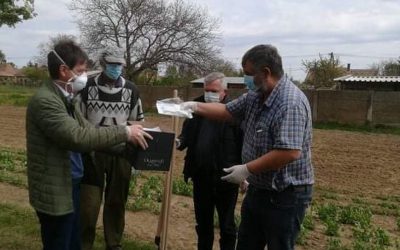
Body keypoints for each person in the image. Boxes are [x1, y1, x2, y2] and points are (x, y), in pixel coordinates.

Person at [180, 44, 314, 250]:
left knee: (279, 245)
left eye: (249, 74)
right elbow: (227, 111)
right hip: (259, 190)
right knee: (247, 243)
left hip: (285, 194)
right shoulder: (256, 96)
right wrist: (194, 106)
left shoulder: (290, 103)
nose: (246, 79)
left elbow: (289, 152)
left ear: (266, 72)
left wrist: (247, 169)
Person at [26, 40, 151, 250]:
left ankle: (111, 242)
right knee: (61, 240)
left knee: (73, 238)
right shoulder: (46, 101)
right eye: (81, 70)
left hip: (71, 181)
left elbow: (91, 132)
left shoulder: (67, 99)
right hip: (57, 187)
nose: (85, 75)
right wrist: (125, 132)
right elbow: (80, 137)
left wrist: (130, 147)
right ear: (64, 70)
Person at [79, 47, 144, 250]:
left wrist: (136, 159)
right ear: (103, 64)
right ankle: (83, 243)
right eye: (112, 64)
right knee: (88, 204)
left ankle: (114, 243)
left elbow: (137, 122)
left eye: (119, 65)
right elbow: (78, 120)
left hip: (121, 154)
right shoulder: (87, 87)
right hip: (92, 153)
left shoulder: (131, 90)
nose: (116, 68)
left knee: (117, 202)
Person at [176, 72, 242, 250]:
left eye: (214, 90)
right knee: (203, 225)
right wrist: (179, 141)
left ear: (224, 91)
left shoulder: (234, 110)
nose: (209, 94)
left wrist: (245, 172)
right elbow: (187, 134)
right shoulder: (197, 107)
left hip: (226, 177)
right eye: (207, 90)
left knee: (227, 226)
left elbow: (242, 142)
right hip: (201, 175)